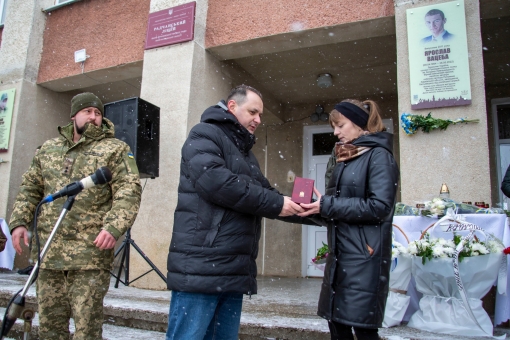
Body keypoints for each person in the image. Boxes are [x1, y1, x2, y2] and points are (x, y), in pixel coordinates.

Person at [165, 85, 306, 340]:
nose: (258, 120)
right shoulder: (203, 134)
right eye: (253, 112)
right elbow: (219, 184)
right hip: (202, 268)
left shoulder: (245, 154)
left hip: (232, 270)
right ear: (232, 107)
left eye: (260, 114)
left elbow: (267, 193)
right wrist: (276, 203)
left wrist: (317, 209)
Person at [9, 92, 142, 340]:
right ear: (73, 116)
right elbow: (30, 188)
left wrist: (113, 227)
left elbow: (129, 191)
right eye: (87, 111)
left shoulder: (117, 149)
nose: (93, 117)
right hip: (49, 254)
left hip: (88, 254)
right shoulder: (47, 149)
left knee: (87, 330)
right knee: (50, 329)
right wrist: (18, 222)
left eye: (98, 113)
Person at [298, 99, 399, 340]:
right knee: (337, 325)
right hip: (341, 254)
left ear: (359, 124)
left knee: (363, 329)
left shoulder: (379, 156)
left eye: (340, 125)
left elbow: (380, 207)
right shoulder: (348, 156)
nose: (336, 132)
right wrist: (316, 209)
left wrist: (327, 204)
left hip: (365, 257)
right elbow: (340, 208)